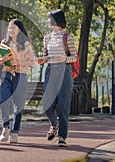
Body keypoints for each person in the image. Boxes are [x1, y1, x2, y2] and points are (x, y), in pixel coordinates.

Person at [37, 9, 77, 147]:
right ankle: (54, 125)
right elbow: (45, 55)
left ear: (56, 20)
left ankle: (62, 137)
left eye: (49, 19)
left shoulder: (67, 38)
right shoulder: (47, 38)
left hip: (64, 71)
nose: (48, 21)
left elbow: (74, 58)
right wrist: (42, 59)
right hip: (50, 70)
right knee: (47, 105)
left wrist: (65, 58)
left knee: (63, 106)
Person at [0, 19, 35, 143]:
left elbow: (33, 63)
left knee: (19, 105)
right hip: (6, 74)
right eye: (10, 28)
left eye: (14, 28)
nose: (11, 30)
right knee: (4, 101)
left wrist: (19, 62)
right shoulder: (4, 42)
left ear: (20, 30)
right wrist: (2, 59)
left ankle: (15, 132)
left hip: (20, 75)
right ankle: (5, 127)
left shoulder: (26, 44)